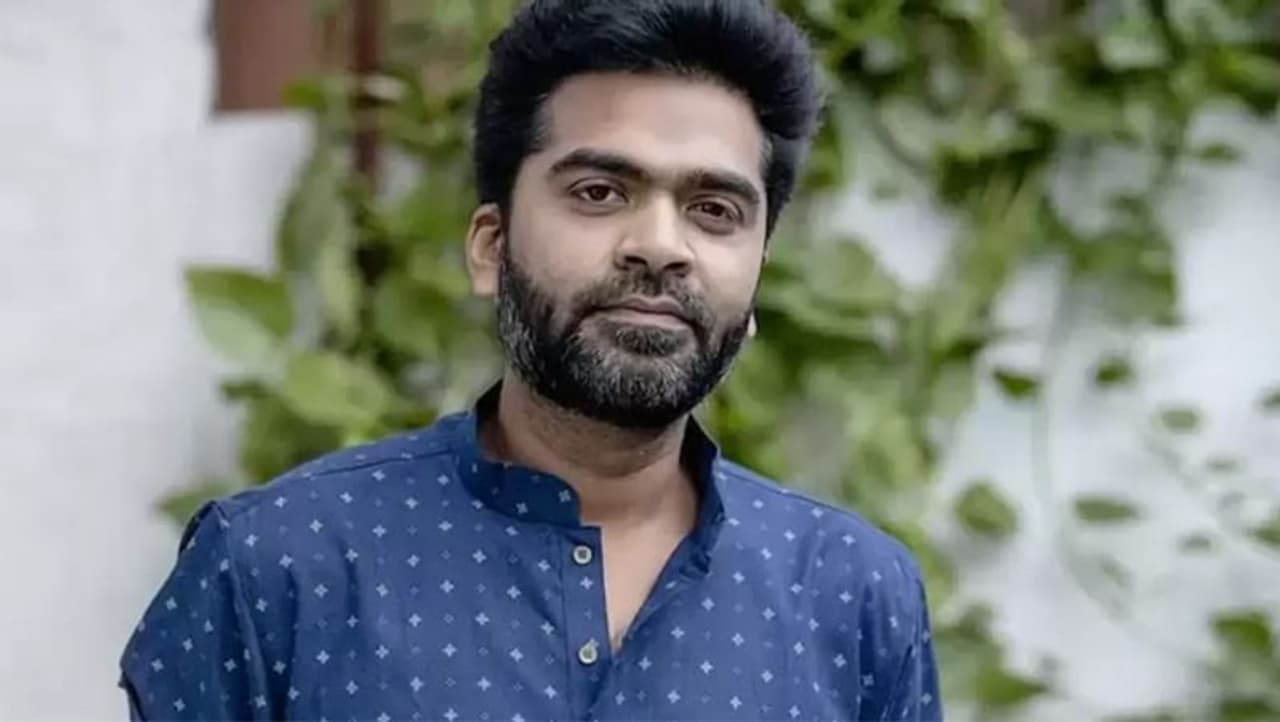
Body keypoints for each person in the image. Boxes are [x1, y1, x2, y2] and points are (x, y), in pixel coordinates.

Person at [119, 1, 942, 720]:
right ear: (491, 247)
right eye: (599, 192)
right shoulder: (277, 567)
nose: (661, 245)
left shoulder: (854, 596)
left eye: (714, 209)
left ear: (757, 276)